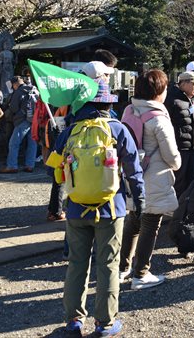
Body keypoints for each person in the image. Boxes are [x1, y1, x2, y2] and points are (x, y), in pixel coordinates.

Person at [53, 79, 145, 337]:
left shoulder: (70, 131)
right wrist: (140, 200)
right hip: (110, 208)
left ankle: (74, 321)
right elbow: (133, 171)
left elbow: (56, 170)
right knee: (107, 264)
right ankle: (104, 323)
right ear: (108, 103)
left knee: (76, 264)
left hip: (76, 208)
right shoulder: (118, 129)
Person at [119, 70, 181, 291]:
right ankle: (141, 274)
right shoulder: (158, 117)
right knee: (150, 225)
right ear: (158, 91)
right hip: (154, 178)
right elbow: (172, 156)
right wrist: (177, 165)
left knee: (133, 221)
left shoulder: (128, 110)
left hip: (131, 175)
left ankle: (122, 268)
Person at [165, 71, 194, 197]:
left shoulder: (190, 99)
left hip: (191, 145)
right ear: (184, 83)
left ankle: (184, 209)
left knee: (190, 179)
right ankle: (175, 211)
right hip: (179, 147)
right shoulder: (172, 99)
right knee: (179, 181)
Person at [2, 76, 38, 174]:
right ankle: (30, 165)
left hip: (22, 120)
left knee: (13, 143)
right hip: (34, 120)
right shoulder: (34, 90)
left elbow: (13, 108)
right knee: (32, 143)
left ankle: (12, 166)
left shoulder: (18, 92)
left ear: (15, 84)